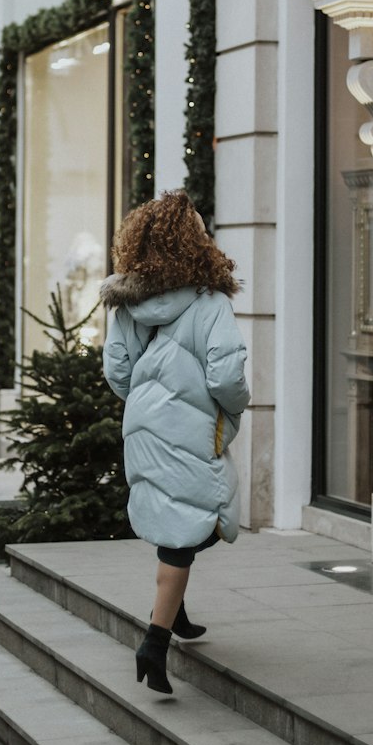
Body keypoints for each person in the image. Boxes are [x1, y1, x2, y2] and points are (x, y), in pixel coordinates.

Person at [101, 189, 250, 695]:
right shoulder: (209, 303)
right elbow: (227, 372)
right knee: (190, 529)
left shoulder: (126, 302)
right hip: (190, 427)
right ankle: (155, 643)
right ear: (194, 243)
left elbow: (116, 369)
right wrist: (231, 407)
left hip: (144, 426)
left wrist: (145, 403)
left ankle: (175, 610)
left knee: (179, 517)